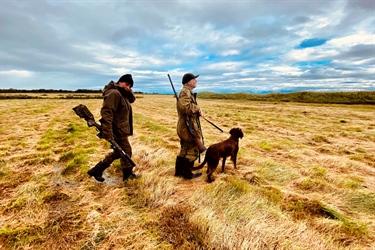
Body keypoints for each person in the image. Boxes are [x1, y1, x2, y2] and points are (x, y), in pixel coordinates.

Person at [87, 74, 137, 182]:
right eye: (127, 84)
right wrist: (108, 133)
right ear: (119, 82)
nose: (128, 88)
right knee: (126, 152)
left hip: (121, 129)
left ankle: (97, 170)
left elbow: (132, 99)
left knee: (120, 152)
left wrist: (127, 90)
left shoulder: (122, 94)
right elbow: (107, 112)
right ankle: (127, 175)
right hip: (117, 129)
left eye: (130, 86)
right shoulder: (114, 93)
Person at [175, 73, 205, 179]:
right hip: (187, 126)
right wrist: (197, 108)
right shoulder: (185, 92)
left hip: (186, 125)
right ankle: (187, 173)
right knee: (192, 149)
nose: (196, 81)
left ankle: (179, 172)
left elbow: (187, 108)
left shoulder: (187, 92)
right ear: (188, 82)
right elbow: (184, 108)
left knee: (185, 149)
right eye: (194, 79)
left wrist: (196, 111)